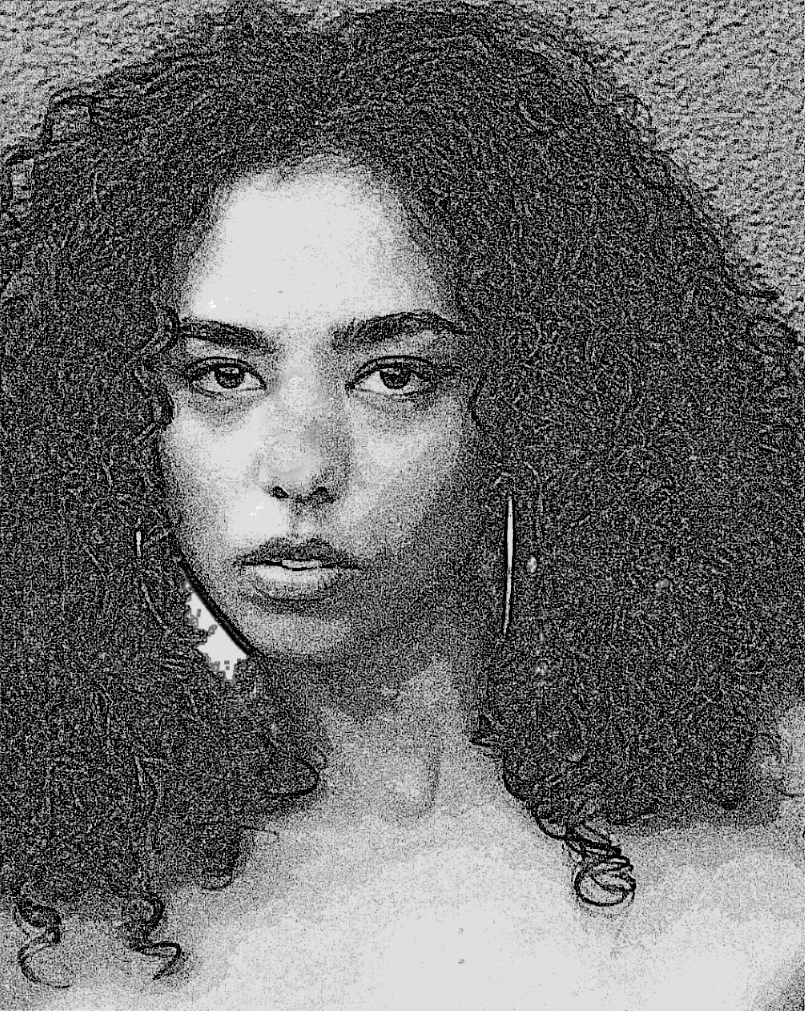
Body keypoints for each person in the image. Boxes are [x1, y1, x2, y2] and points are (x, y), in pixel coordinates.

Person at [1, 1, 803, 1007]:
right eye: (221, 374)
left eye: (393, 376)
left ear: (547, 405)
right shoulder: (50, 931)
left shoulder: (766, 893)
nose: (301, 467)